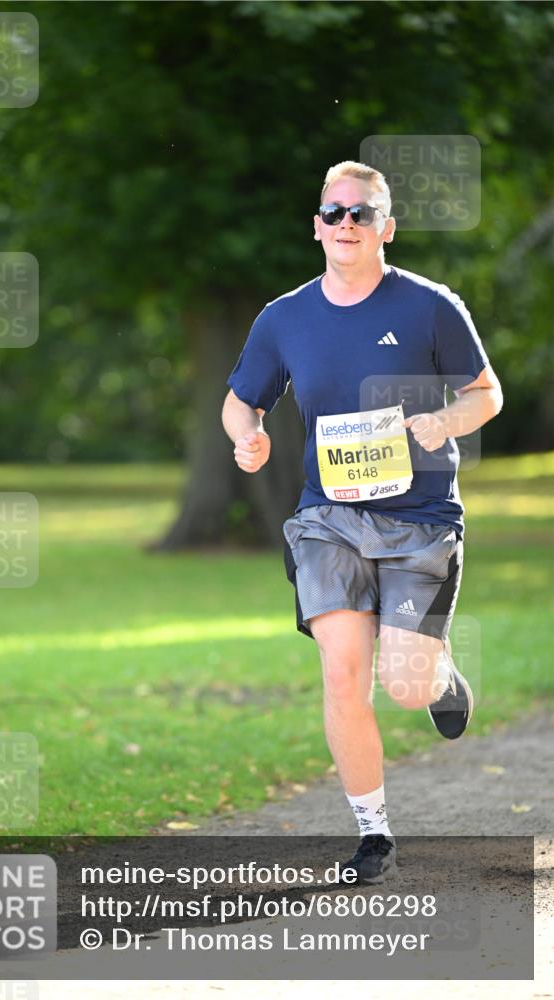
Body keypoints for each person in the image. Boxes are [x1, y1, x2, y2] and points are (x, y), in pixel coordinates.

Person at [221, 160, 503, 883]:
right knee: (342, 674)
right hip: (329, 519)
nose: (346, 223)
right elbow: (242, 398)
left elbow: (486, 393)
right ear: (317, 227)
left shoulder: (430, 306)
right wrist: (247, 436)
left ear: (386, 227)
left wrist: (446, 421)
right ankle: (372, 833)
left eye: (362, 212)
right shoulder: (284, 318)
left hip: (420, 519)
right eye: (334, 212)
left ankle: (439, 681)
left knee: (404, 684)